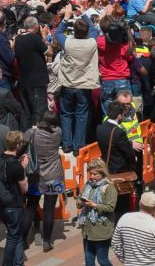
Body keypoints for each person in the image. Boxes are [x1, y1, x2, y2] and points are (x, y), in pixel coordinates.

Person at [0, 131, 38, 266]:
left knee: (17, 236)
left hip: (0, 204)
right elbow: (24, 188)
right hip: (14, 205)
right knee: (13, 237)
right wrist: (24, 168)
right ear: (19, 145)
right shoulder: (16, 167)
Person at [75, 158, 120, 266]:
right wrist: (80, 202)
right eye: (90, 173)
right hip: (87, 228)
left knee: (102, 260)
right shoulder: (88, 185)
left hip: (102, 228)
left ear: (102, 173)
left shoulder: (109, 187)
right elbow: (79, 200)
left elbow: (110, 207)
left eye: (95, 174)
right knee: (88, 260)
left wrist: (94, 205)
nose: (92, 177)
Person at [56, 12, 99, 155]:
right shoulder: (92, 42)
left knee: (66, 114)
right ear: (86, 31)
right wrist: (84, 14)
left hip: (68, 84)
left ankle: (67, 144)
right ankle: (78, 146)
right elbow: (94, 29)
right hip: (83, 85)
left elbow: (58, 33)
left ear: (74, 31)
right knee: (81, 115)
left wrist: (66, 17)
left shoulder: (68, 43)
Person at [23, 111, 64, 253]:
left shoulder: (31, 133)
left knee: (31, 206)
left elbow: (23, 142)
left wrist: (35, 128)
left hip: (36, 175)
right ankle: (47, 241)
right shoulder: (58, 132)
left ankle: (23, 240)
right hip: (54, 174)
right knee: (49, 209)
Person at [96, 101, 138, 220]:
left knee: (109, 200)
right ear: (119, 115)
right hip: (120, 172)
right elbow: (129, 153)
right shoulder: (119, 132)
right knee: (121, 204)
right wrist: (133, 163)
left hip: (107, 169)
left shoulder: (100, 128)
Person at [14, 16, 52, 130]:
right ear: (36, 27)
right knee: (39, 111)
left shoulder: (18, 39)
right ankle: (36, 139)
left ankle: (25, 139)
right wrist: (45, 37)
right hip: (36, 82)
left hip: (24, 82)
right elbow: (49, 52)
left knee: (26, 112)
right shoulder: (35, 39)